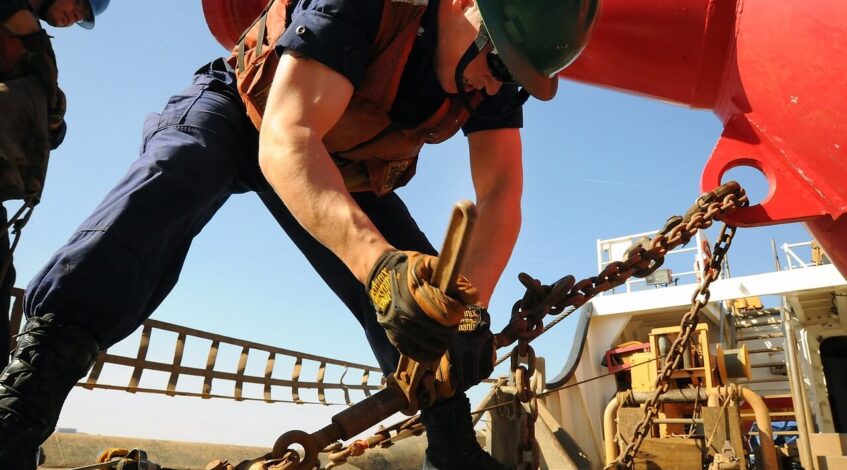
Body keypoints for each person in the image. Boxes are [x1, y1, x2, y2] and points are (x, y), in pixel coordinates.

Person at [0, 0, 597, 468]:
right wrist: (379, 269)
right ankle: (23, 402)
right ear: (465, 4)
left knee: (427, 297)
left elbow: (500, 197)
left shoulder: (494, 75)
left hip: (344, 161)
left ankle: (453, 449)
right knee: (172, 180)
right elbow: (289, 139)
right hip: (245, 110)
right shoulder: (365, 5)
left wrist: (467, 309)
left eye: (515, 76)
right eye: (499, 64)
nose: (495, 85)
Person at [0, 0, 111, 373]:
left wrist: (53, 118)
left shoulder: (34, 46)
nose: (77, 15)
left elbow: (50, 130)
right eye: (79, 3)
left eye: (83, 16)